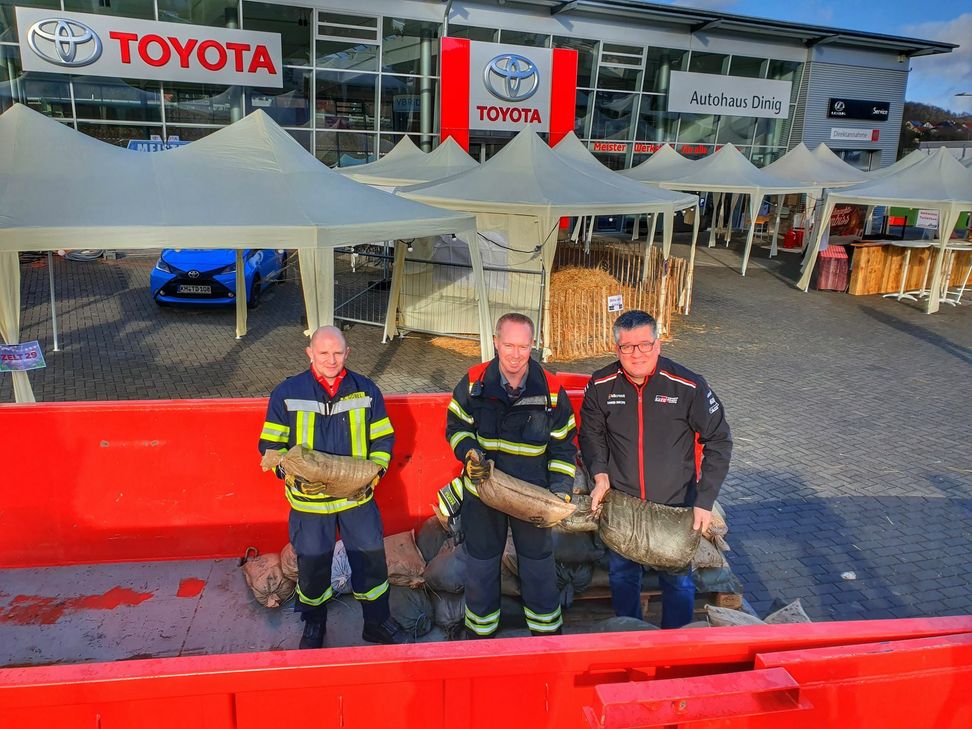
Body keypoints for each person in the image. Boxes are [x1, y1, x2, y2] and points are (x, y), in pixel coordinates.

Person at [579, 310, 732, 628]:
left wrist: (704, 500)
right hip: (624, 506)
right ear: (616, 348)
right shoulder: (601, 384)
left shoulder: (688, 386)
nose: (636, 354)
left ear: (658, 344)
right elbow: (591, 435)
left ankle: (676, 641)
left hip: (674, 507)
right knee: (622, 575)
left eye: (644, 345)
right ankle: (630, 636)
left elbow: (719, 440)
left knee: (677, 581)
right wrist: (600, 474)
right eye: (627, 346)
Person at [258, 326, 409, 648]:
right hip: (309, 503)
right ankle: (314, 625)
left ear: (347, 353)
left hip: (357, 499)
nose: (331, 359)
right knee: (312, 567)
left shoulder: (367, 390)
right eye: (323, 353)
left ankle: (376, 623)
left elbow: (383, 438)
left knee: (371, 562)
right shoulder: (287, 392)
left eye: (337, 352)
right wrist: (291, 475)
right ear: (309, 353)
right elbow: (271, 446)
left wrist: (375, 473)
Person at [445, 313, 577, 638]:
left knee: (538, 566)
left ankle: (546, 637)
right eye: (508, 345)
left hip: (531, 495)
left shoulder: (552, 391)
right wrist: (470, 454)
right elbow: (456, 427)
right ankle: (481, 637)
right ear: (495, 342)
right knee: (481, 565)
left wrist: (560, 492)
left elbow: (563, 447)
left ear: (533, 345)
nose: (515, 354)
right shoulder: (473, 382)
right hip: (483, 490)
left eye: (523, 346)